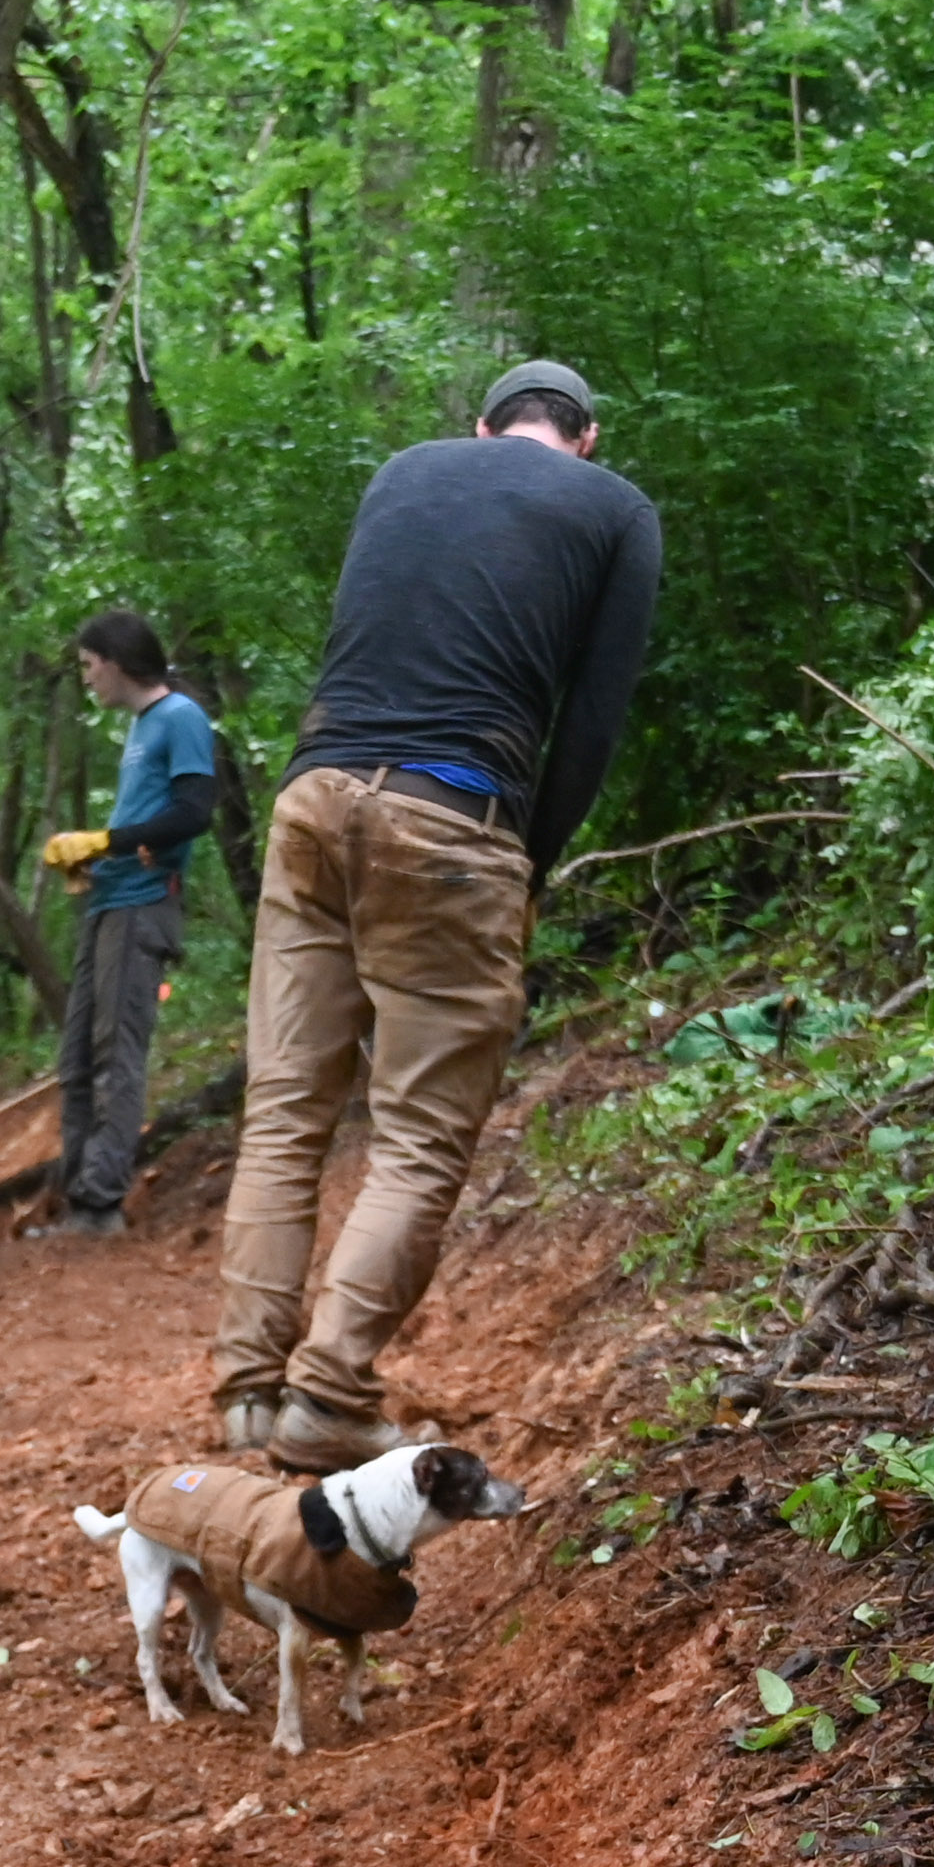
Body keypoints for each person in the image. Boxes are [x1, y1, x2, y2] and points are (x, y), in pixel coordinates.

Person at [214, 358, 659, 1461]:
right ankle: (326, 1400)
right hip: (451, 818)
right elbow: (591, 721)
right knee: (415, 1139)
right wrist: (531, 858)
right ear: (588, 437)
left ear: (482, 425)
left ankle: (243, 1398)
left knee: (283, 1114)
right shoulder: (616, 508)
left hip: (313, 799)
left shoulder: (405, 470)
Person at [28, 610, 218, 1241]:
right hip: (111, 902)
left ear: (113, 659)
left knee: (116, 1054)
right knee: (77, 1054)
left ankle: (100, 1204)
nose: (86, 679)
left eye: (87, 666)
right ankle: (76, 1191)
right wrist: (92, 857)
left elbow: (194, 812)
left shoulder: (180, 717)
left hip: (144, 905)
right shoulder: (142, 726)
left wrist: (109, 840)